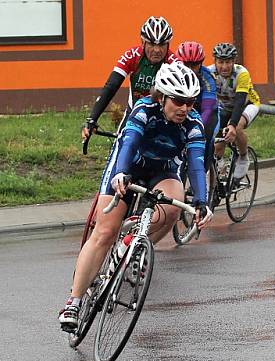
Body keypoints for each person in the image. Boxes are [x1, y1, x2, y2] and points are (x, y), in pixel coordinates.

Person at [59, 63, 212, 332]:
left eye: (189, 102)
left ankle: (132, 244)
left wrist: (202, 201)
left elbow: (197, 165)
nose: (184, 108)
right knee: (105, 232)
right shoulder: (144, 110)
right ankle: (74, 301)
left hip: (162, 171)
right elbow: (128, 143)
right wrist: (120, 174)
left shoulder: (193, 125)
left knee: (174, 207)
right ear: (162, 97)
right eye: (178, 101)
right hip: (127, 166)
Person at [82, 17, 177, 140]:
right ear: (143, 42)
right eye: (152, 44)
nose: (157, 50)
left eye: (162, 45)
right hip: (134, 114)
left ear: (168, 44)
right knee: (119, 151)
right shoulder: (133, 56)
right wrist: (92, 119)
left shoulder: (174, 63)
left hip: (163, 117)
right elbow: (111, 86)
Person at [207, 43, 261, 180]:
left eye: (228, 62)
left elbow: (239, 102)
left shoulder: (241, 74)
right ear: (215, 61)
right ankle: (220, 171)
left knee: (237, 128)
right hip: (224, 107)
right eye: (220, 62)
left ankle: (243, 157)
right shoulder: (209, 73)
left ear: (234, 62)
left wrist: (232, 124)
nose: (224, 66)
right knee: (218, 141)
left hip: (247, 104)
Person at [175, 41, 218, 168]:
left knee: (206, 137)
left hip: (206, 112)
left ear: (201, 63)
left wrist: (197, 129)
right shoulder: (173, 74)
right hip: (184, 109)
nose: (189, 69)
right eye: (186, 64)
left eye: (194, 65)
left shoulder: (207, 77)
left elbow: (207, 109)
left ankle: (203, 170)